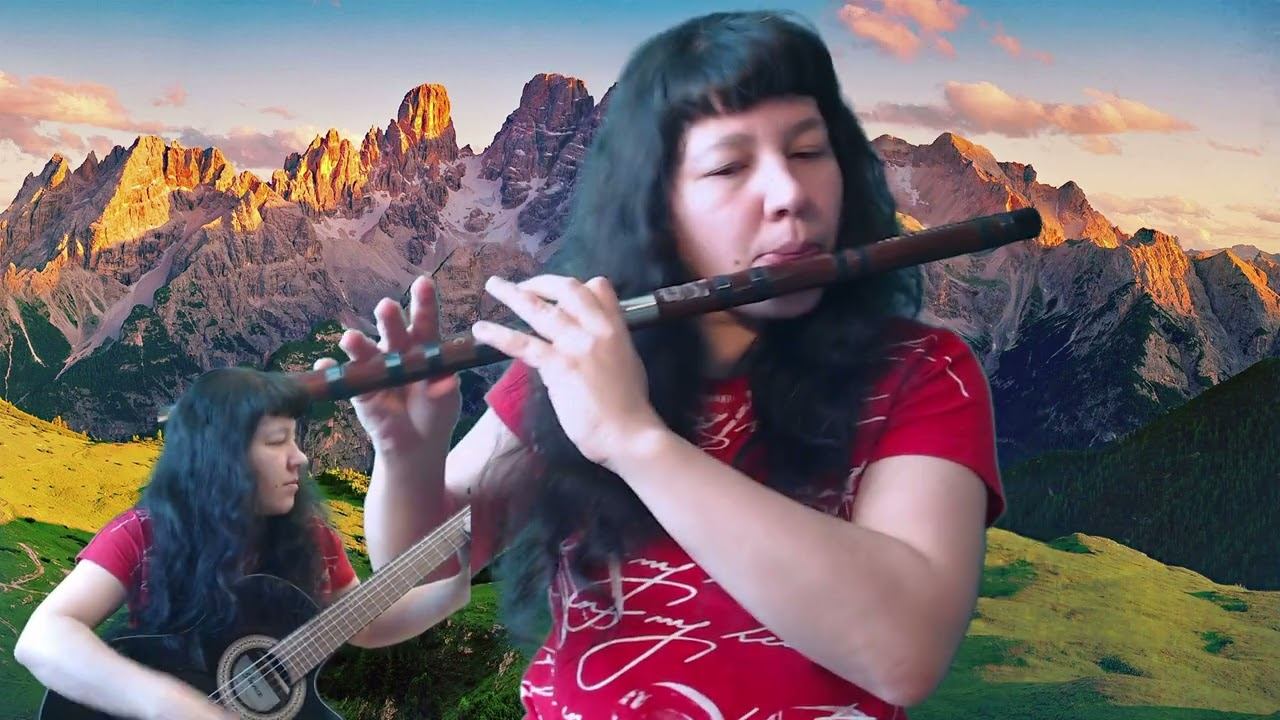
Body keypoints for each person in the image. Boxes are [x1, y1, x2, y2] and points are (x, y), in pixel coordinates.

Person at [337, 10, 1005, 719]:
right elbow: (423, 573)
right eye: (729, 167)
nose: (790, 195)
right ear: (657, 209)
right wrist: (407, 460)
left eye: (810, 151)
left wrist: (633, 440)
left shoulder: (922, 373)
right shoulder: (581, 358)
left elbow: (903, 650)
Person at [14, 367, 472, 720]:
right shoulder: (144, 532)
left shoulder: (313, 538)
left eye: (295, 440)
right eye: (277, 442)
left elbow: (365, 624)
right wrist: (168, 703)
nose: (301, 458)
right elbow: (41, 638)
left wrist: (459, 584)